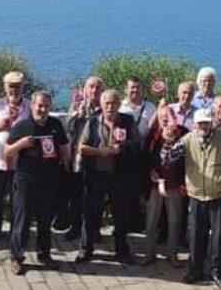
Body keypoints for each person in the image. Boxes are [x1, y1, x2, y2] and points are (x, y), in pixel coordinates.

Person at [160, 107, 221, 289]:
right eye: (200, 122)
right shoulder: (187, 140)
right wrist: (168, 141)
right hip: (196, 195)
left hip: (220, 194)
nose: (203, 125)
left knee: (219, 237)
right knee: (196, 236)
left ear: (211, 122)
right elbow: (167, 159)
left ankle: (217, 273)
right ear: (195, 124)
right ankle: (195, 270)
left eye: (206, 122)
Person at [5, 91, 70, 275]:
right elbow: (8, 151)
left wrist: (68, 170)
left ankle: (44, 254)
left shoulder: (55, 124)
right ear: (32, 105)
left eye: (46, 106)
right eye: (39, 105)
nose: (42, 109)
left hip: (49, 180)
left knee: (45, 220)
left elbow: (64, 149)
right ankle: (17, 257)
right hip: (26, 180)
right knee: (23, 220)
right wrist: (21, 144)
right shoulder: (22, 126)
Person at [76, 90, 141, 263]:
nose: (110, 107)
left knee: (120, 215)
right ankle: (86, 249)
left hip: (119, 175)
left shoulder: (127, 121)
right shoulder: (93, 122)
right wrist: (100, 152)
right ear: (102, 105)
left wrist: (122, 148)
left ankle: (122, 251)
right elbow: (81, 147)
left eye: (113, 103)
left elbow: (137, 144)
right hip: (96, 175)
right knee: (91, 213)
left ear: (119, 105)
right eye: (107, 103)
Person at [142, 103, 185, 268]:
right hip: (155, 185)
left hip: (175, 185)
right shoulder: (153, 135)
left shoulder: (183, 134)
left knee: (175, 221)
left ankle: (172, 254)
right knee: (151, 221)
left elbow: (188, 161)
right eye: (163, 119)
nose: (166, 122)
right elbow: (145, 158)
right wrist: (150, 172)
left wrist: (183, 184)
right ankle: (149, 253)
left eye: (169, 118)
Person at [62, 76, 103, 240]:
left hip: (98, 159)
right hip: (78, 159)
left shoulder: (105, 107)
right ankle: (75, 227)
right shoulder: (76, 105)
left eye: (98, 88)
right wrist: (77, 116)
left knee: (97, 197)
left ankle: (95, 230)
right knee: (76, 195)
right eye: (91, 87)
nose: (94, 90)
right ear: (85, 89)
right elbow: (66, 127)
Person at [0, 71, 31, 239]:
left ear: (23, 87)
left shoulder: (31, 106)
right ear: (4, 87)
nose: (14, 90)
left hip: (21, 164)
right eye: (11, 86)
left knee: (19, 203)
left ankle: (17, 234)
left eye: (17, 87)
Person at [119, 77, 156, 232]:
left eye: (137, 87)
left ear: (143, 89)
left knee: (141, 187)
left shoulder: (150, 107)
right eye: (132, 87)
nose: (135, 90)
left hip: (144, 151)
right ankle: (123, 223)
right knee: (124, 188)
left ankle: (138, 222)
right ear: (126, 89)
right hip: (125, 153)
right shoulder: (120, 107)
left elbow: (154, 128)